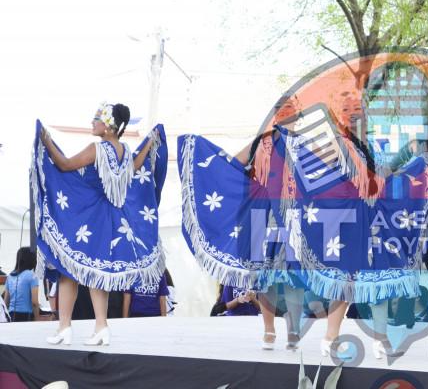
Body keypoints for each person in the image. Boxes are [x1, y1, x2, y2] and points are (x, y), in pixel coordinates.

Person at [178, 97, 305, 352]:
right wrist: (253, 182)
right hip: (261, 214)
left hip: (292, 214)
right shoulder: (262, 142)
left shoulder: (304, 145)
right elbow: (233, 165)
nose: (285, 115)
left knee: (294, 277)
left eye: (291, 111)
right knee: (264, 278)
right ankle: (269, 329)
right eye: (281, 111)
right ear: (275, 116)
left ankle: (293, 329)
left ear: (298, 115)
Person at [33, 104, 167, 346]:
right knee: (96, 276)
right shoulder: (125, 150)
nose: (92, 122)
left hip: (89, 216)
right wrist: (148, 143)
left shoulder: (96, 148)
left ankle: (65, 327)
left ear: (108, 126)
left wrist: (47, 141)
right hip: (111, 220)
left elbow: (64, 165)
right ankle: (100, 326)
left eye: (97, 119)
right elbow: (136, 166)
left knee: (67, 273)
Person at [2, 247, 40, 322]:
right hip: (26, 315)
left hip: (11, 314)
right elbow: (35, 302)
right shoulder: (32, 276)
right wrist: (37, 318)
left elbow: (6, 301)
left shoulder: (10, 276)